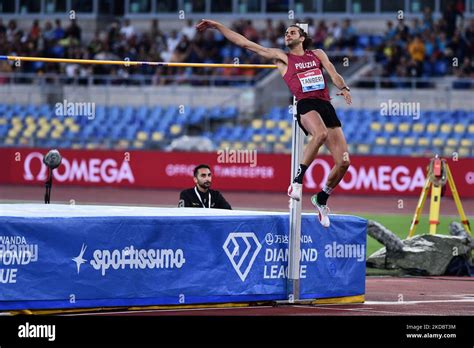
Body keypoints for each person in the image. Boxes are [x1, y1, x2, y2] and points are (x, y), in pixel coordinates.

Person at [196, 19, 352, 227]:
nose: (288, 35)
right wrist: (217, 26)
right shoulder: (282, 58)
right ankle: (297, 181)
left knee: (344, 162)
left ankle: (321, 199)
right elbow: (245, 43)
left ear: (302, 37)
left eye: (292, 32)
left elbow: (334, 74)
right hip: (306, 104)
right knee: (320, 134)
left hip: (325, 105)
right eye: (286, 33)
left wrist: (344, 88)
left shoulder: (318, 54)